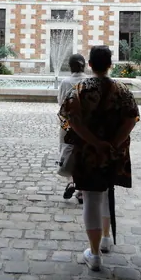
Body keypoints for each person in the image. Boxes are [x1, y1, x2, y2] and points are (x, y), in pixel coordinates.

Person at [59, 45, 139, 272]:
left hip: (88, 154)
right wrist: (113, 144)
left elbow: (70, 121)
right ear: (110, 64)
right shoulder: (123, 90)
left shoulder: (79, 89)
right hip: (115, 154)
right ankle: (105, 239)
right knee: (106, 193)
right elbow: (132, 119)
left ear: (91, 65)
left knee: (92, 199)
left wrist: (95, 142)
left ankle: (94, 254)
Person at [57, 53, 87, 203]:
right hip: (86, 126)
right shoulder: (89, 81)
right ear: (85, 65)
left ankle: (70, 182)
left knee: (68, 152)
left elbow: (61, 103)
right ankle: (81, 191)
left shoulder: (65, 82)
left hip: (68, 125)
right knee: (83, 155)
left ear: (70, 67)